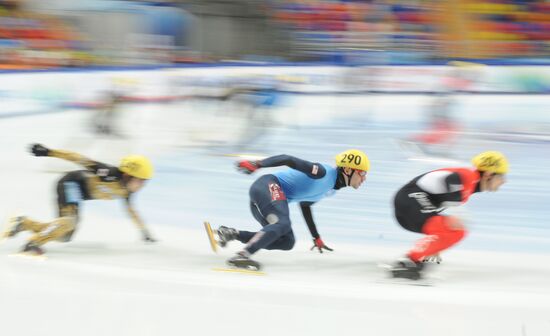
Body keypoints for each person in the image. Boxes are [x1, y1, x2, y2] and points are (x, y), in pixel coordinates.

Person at [212, 149, 370, 271]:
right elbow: (289, 159)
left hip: (266, 200)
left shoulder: (331, 189)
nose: (364, 178)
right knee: (282, 223)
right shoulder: (323, 172)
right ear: (348, 170)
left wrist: (316, 238)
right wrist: (257, 164)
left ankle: (231, 233)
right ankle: (242, 256)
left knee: (287, 241)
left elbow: (305, 205)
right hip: (268, 185)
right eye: (362, 173)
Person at [2, 144, 156, 255]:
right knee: (69, 221)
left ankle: (23, 223)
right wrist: (49, 152)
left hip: (78, 195)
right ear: (127, 175)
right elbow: (79, 159)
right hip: (70, 183)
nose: (142, 185)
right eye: (141, 180)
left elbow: (131, 211)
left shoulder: (127, 191)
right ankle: (33, 243)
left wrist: (144, 231)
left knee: (64, 236)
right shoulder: (108, 173)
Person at [389, 151, 508, 280]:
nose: (503, 181)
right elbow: (450, 179)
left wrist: (435, 246)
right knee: (454, 229)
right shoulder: (468, 175)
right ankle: (407, 262)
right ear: (488, 174)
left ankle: (415, 259)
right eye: (502, 176)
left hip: (409, 205)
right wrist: (456, 210)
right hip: (409, 200)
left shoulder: (469, 185)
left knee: (456, 231)